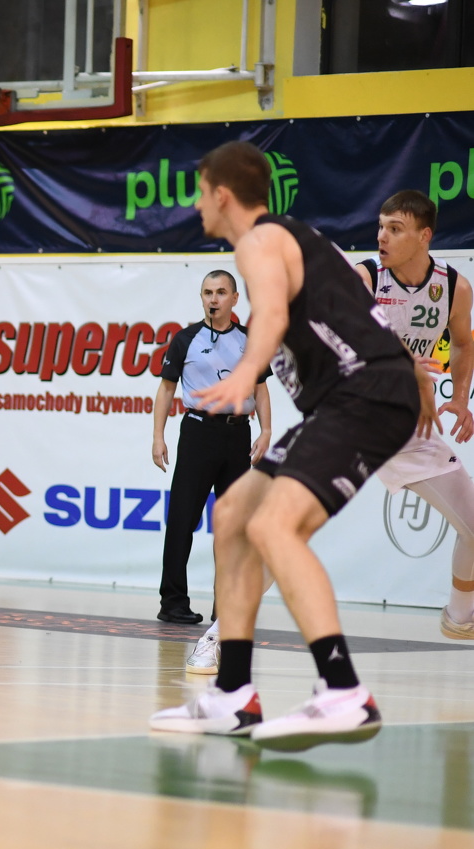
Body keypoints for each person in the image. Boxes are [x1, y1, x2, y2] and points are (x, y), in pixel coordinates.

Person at [149, 140, 425, 752]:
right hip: (360, 396)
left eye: (200, 193)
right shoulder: (294, 239)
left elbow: (271, 316)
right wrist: (416, 378)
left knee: (273, 526)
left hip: (362, 396)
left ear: (223, 195)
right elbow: (365, 315)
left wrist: (246, 373)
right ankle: (233, 695)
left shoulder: (259, 241)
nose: (196, 205)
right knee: (232, 514)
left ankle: (343, 692)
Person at [354, 190, 474, 637]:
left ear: (425, 236)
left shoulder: (454, 287)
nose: (381, 237)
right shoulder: (364, 277)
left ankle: (460, 618)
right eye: (381, 226)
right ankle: (220, 635)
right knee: (288, 526)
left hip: (406, 422)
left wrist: (459, 397)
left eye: (395, 228)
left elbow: (463, 343)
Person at [152, 270, 272, 629]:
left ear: (235, 299)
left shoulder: (250, 340)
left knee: (234, 526)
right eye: (207, 293)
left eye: (221, 292)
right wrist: (158, 436)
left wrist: (266, 430)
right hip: (198, 432)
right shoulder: (185, 338)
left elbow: (261, 388)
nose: (213, 299)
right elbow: (166, 389)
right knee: (182, 519)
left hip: (237, 435)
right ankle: (173, 602)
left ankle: (227, 606)